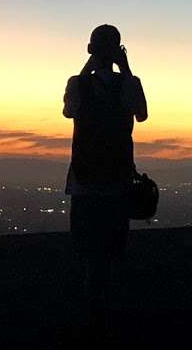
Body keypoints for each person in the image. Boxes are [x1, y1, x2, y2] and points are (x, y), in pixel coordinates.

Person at [62, 24, 148, 333]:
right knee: (112, 249)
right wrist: (126, 68)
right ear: (119, 50)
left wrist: (89, 65)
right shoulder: (129, 83)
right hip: (118, 177)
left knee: (89, 252)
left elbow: (69, 112)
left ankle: (92, 313)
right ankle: (108, 313)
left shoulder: (78, 84)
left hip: (85, 178)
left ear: (89, 49)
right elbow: (142, 114)